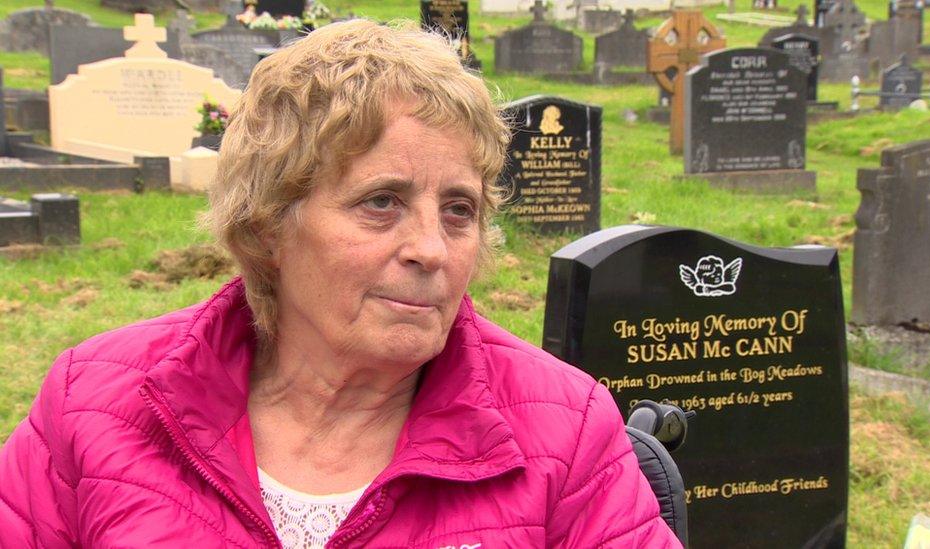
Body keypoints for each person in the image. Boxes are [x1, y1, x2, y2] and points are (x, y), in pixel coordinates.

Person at [0, 19, 681, 548]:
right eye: (380, 202)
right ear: (269, 223)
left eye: (458, 210)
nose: (430, 249)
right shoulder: (92, 406)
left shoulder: (566, 431)